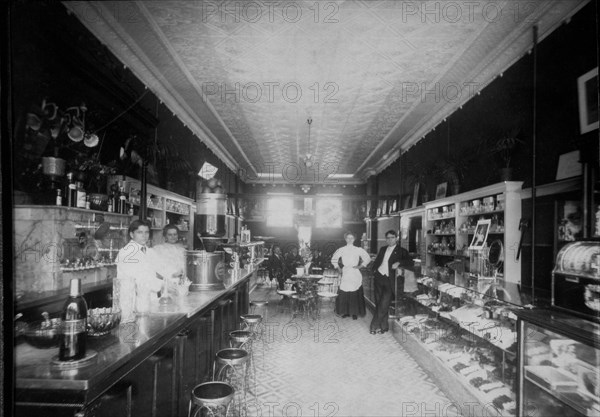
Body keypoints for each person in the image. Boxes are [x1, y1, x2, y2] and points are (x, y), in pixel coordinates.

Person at [116, 220, 163, 317]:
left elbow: (159, 271)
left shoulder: (149, 251)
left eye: (146, 232)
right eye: (140, 232)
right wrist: (160, 284)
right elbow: (140, 279)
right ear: (132, 234)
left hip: (149, 300)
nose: (144, 235)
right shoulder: (126, 253)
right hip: (132, 303)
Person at [369, 230, 410, 334]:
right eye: (387, 238)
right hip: (379, 277)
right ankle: (384, 327)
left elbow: (410, 262)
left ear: (396, 238)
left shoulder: (402, 251)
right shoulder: (383, 249)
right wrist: (374, 271)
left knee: (384, 303)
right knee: (379, 303)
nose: (389, 240)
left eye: (392, 237)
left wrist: (399, 262)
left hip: (390, 280)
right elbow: (378, 261)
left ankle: (374, 326)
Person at [330, 231, 371, 320]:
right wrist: (338, 268)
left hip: (355, 272)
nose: (350, 240)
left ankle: (354, 313)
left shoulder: (358, 249)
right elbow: (334, 259)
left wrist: (360, 266)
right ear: (345, 239)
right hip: (346, 272)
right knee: (345, 292)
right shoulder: (342, 249)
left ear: (354, 239)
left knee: (355, 292)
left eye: (351, 238)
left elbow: (367, 258)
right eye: (348, 238)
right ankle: (345, 312)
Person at [153, 224, 186, 290]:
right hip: (166, 283)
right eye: (170, 235)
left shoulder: (182, 250)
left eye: (175, 234)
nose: (173, 237)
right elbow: (156, 269)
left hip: (182, 283)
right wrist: (171, 275)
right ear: (165, 236)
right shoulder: (158, 249)